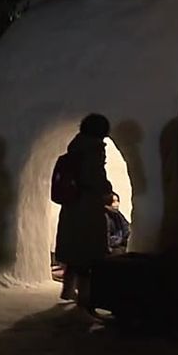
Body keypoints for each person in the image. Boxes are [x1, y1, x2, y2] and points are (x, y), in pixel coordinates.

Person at [51, 114, 114, 305]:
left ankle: (68, 290)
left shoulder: (76, 146)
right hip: (87, 206)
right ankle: (86, 297)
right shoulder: (93, 149)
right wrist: (107, 190)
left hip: (72, 206)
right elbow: (95, 176)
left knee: (74, 251)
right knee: (88, 253)